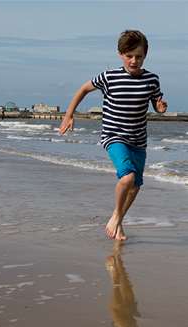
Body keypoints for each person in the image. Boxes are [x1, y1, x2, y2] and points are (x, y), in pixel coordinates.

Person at [59, 30, 167, 241]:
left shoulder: (152, 79)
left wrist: (161, 107)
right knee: (127, 177)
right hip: (114, 135)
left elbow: (156, 103)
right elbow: (83, 89)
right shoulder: (109, 76)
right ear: (120, 54)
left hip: (138, 140)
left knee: (135, 186)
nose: (134, 60)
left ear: (145, 55)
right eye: (129, 55)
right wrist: (68, 115)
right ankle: (116, 217)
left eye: (139, 56)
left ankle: (118, 221)